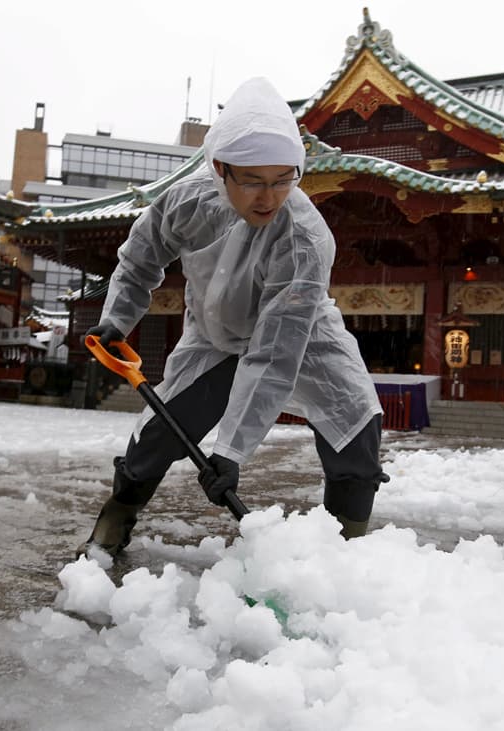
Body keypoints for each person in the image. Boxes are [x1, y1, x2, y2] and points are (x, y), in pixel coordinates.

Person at [78, 77, 388, 559]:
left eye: (283, 179)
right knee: (157, 436)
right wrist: (117, 319)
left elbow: (273, 352)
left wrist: (232, 452)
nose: (268, 197)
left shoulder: (304, 238)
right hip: (213, 338)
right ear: (220, 168)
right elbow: (140, 258)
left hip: (304, 337)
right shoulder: (185, 202)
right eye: (253, 181)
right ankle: (113, 523)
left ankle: (343, 556)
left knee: (356, 431)